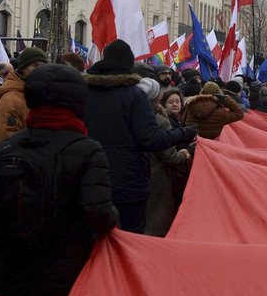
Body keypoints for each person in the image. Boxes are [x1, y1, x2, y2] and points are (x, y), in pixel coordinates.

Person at [0, 64, 118, 296]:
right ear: (77, 102)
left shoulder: (10, 147)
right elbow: (99, 215)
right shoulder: (88, 150)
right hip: (67, 273)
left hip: (13, 271)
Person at [84, 40, 197, 234]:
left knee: (96, 241)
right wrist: (184, 133)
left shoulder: (84, 92)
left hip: (92, 179)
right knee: (130, 241)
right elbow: (151, 139)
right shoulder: (134, 96)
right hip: (128, 183)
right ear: (129, 65)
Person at [140, 77, 191, 237]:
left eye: (178, 101)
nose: (175, 104)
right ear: (159, 100)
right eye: (171, 102)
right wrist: (184, 154)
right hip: (157, 178)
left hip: (137, 175)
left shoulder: (128, 116)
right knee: (157, 222)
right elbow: (170, 156)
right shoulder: (161, 121)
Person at [0, 47, 47, 145]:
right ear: (23, 68)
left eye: (43, 66)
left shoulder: (39, 93)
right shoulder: (11, 99)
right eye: (35, 65)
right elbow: (7, 138)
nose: (39, 70)